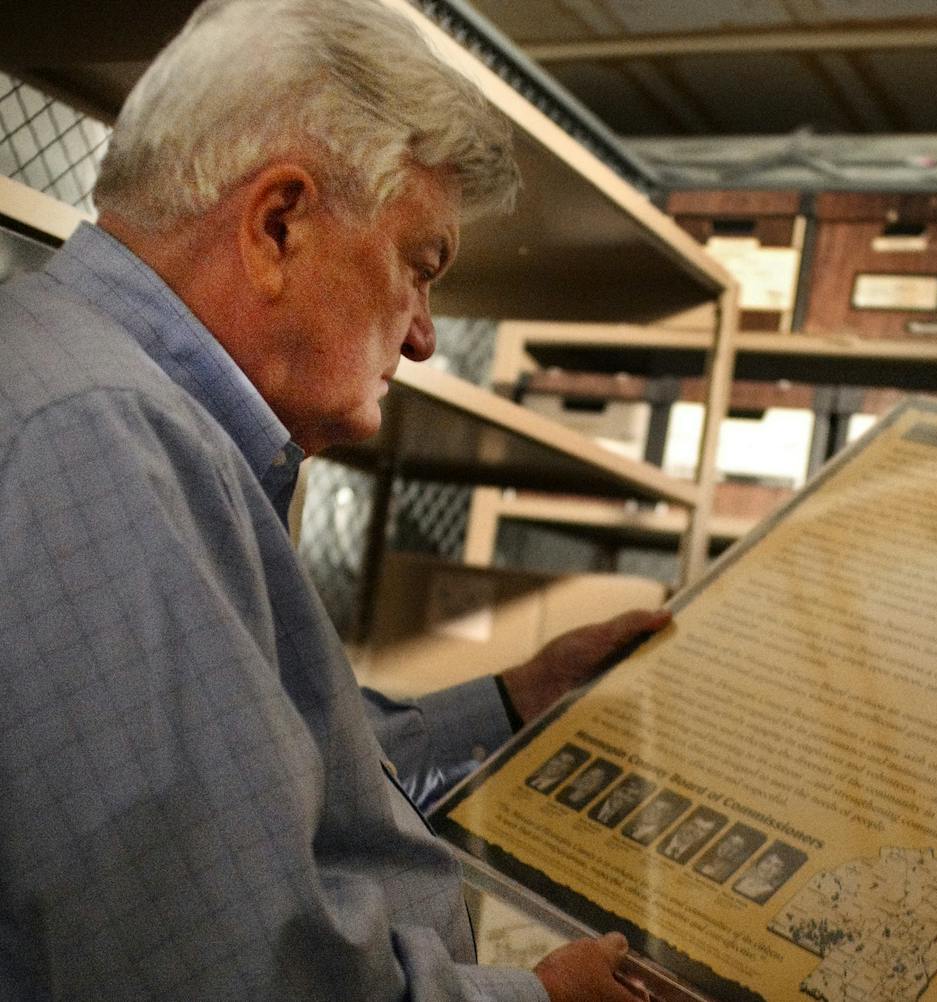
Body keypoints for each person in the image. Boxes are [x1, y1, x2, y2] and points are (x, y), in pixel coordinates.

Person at [0, 0, 667, 999]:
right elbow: (216, 974)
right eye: (419, 266)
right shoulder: (106, 443)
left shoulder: (98, 400)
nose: (424, 336)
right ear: (278, 225)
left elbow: (259, 765)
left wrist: (512, 702)